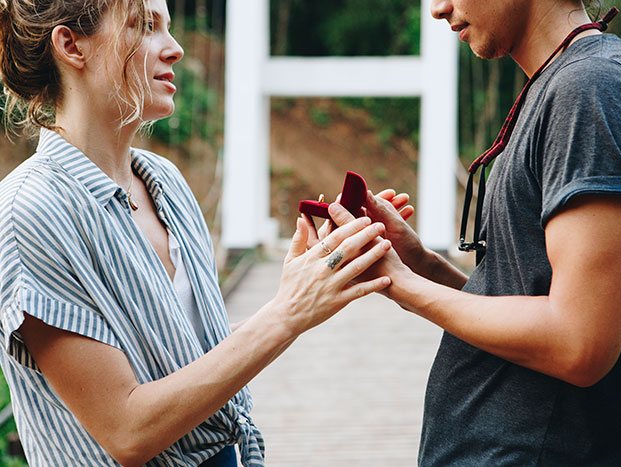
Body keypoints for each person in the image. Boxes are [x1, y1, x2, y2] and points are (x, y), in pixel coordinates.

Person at [0, 0, 397, 465]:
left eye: (169, 27)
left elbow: (190, 361)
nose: (176, 50)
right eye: (145, 26)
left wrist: (305, 283)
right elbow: (127, 432)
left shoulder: (163, 181)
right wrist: (286, 313)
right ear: (71, 45)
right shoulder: (29, 211)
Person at [316, 0, 621, 464]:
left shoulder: (592, 89)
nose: (438, 9)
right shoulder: (562, 83)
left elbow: (579, 345)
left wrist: (406, 288)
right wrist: (418, 264)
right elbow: (528, 300)